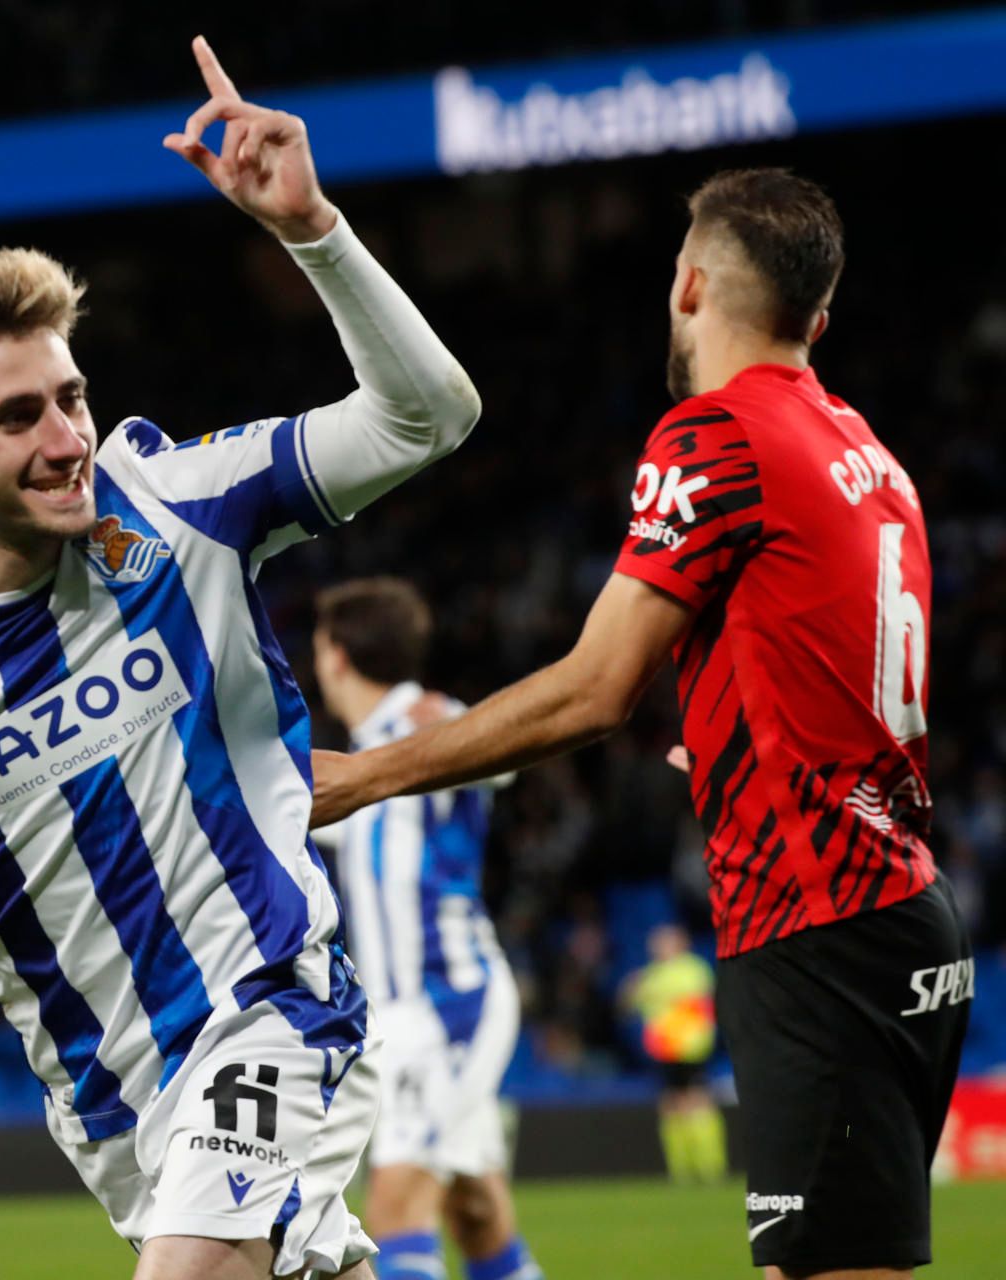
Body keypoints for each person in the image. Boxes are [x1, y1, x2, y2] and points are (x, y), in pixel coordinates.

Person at [0, 35, 482, 1280]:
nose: (68, 439)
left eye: (71, 396)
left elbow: (427, 417)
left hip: (274, 1004)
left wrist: (312, 231)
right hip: (113, 1104)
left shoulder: (180, 505)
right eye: (18, 417)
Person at [310, 169, 972, 1279]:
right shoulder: (864, 448)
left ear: (690, 285)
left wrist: (369, 773)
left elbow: (593, 690)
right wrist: (732, 731)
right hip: (896, 907)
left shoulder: (714, 434)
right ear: (817, 320)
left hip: (819, 923)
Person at [308, 579, 543, 1280]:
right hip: (404, 1012)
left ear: (337, 656)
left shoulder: (422, 722)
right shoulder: (358, 761)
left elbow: (503, 756)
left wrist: (451, 718)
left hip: (447, 1000)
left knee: (395, 1205)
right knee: (476, 1210)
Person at [620, 923, 725, 1185]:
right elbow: (626, 1007)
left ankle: (710, 1167)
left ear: (680, 943)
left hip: (690, 1047)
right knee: (670, 1105)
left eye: (663, 941)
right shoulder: (650, 974)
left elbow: (694, 1004)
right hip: (664, 1049)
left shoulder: (693, 969)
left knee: (697, 1102)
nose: (657, 946)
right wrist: (630, 991)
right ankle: (680, 1171)